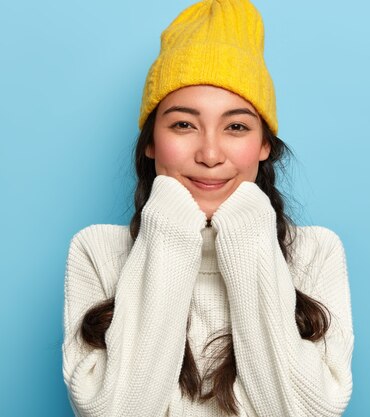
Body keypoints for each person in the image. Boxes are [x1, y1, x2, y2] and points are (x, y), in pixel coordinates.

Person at [61, 1, 354, 416]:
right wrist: (168, 230)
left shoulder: (316, 252)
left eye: (236, 127)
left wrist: (249, 233)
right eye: (183, 124)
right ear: (150, 142)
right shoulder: (96, 251)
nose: (211, 154)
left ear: (264, 145)